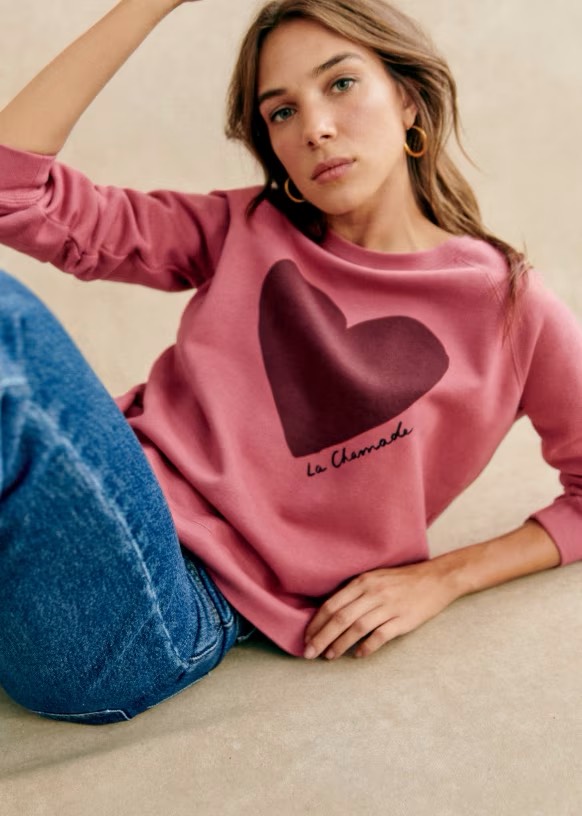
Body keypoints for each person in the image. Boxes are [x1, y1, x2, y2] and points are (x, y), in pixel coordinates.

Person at [0, 0, 580, 726]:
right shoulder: (241, 228)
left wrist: (442, 579)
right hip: (71, 514)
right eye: (281, 112)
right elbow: (12, 189)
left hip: (161, 610)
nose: (315, 127)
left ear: (408, 99)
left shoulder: (512, 307)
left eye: (341, 84)